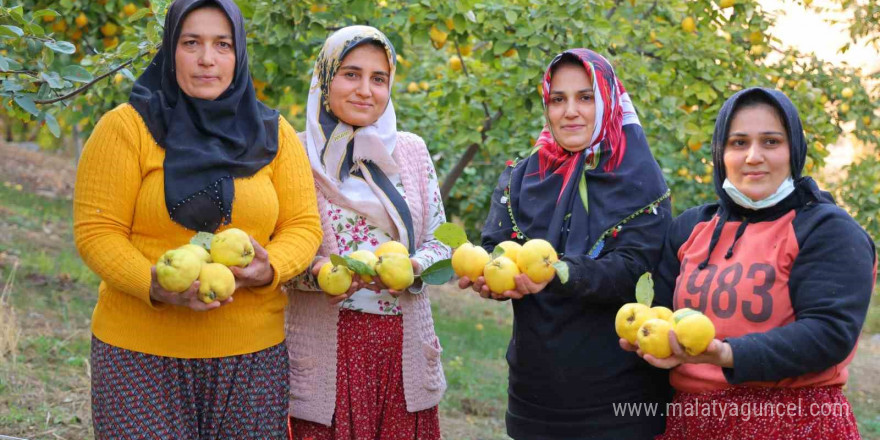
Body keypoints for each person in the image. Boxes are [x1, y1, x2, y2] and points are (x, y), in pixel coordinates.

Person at [72, 0, 323, 437]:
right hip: (138, 353)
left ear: (239, 53)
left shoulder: (274, 133)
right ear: (171, 49)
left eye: (222, 44)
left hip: (251, 358)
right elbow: (97, 230)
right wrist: (152, 282)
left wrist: (270, 267)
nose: (207, 59)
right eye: (192, 43)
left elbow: (303, 225)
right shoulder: (126, 128)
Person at [623, 87, 875, 439]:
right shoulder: (691, 227)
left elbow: (829, 334)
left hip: (796, 420)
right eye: (739, 143)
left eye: (771, 142)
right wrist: (648, 338)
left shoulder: (827, 229)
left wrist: (726, 354)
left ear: (793, 151)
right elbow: (661, 312)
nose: (753, 156)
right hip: (693, 421)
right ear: (720, 153)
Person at [461, 48, 673, 439]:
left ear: (608, 101)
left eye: (585, 97)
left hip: (618, 401)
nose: (570, 111)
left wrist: (560, 273)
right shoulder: (524, 176)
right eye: (558, 99)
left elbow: (635, 271)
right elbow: (495, 246)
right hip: (534, 392)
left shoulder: (640, 179)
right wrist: (493, 279)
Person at [283, 26, 450, 440]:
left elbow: (441, 241)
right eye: (351, 74)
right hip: (326, 353)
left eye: (379, 79)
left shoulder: (409, 150)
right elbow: (280, 256)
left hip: (401, 350)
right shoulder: (294, 153)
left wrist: (413, 266)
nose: (365, 90)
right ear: (324, 79)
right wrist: (319, 274)